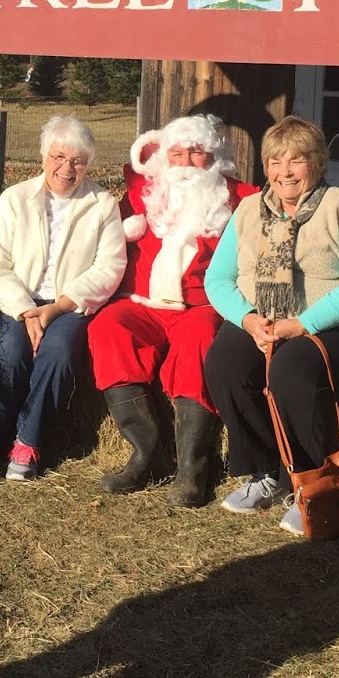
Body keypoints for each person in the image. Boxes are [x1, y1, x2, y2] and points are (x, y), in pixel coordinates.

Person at [202, 115, 339, 536]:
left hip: (334, 327)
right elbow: (218, 279)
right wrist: (248, 320)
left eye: (296, 161)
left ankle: (315, 483)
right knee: (224, 364)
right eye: (276, 161)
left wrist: (302, 324)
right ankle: (267, 472)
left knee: (290, 371)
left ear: (316, 164)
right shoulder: (248, 210)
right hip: (262, 320)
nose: (285, 172)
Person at [87, 114, 258, 505]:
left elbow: (297, 217)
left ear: (214, 158)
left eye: (196, 153)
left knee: (199, 340)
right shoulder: (143, 194)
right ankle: (145, 455)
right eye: (176, 153)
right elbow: (89, 223)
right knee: (109, 325)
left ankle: (191, 471)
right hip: (144, 304)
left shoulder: (242, 199)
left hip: (200, 305)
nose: (184, 163)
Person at [0, 116, 127, 481]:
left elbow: (109, 266)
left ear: (88, 164)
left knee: (58, 352)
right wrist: (26, 311)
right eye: (58, 157)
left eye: (77, 161)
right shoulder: (16, 199)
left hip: (69, 305)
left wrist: (58, 307)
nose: (66, 168)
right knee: (7, 349)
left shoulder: (102, 204)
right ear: (43, 157)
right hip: (14, 300)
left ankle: (28, 438)